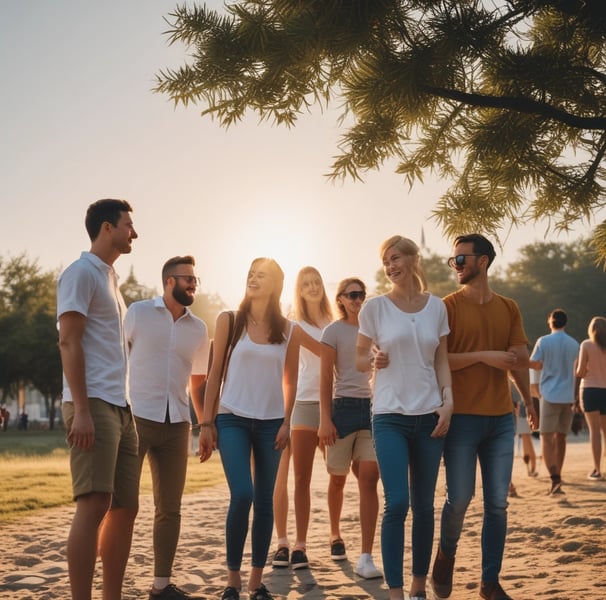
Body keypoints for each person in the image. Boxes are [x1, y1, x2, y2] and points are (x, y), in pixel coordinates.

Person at [430, 233, 538, 600]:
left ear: (483, 262)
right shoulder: (447, 307)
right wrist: (486, 356)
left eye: (462, 259)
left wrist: (528, 400)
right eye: (454, 260)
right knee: (459, 499)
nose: (456, 266)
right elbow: (438, 360)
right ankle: (445, 554)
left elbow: (519, 359)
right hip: (461, 419)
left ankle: (489, 582)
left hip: (500, 419)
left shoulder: (508, 307)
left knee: (497, 503)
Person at [198, 257, 303, 600]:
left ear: (275, 284)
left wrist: (288, 421)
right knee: (242, 494)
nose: (254, 279)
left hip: (273, 423)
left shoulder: (290, 329)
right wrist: (206, 422)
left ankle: (256, 583)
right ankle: (232, 582)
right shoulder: (229, 319)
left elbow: (291, 379)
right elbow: (214, 375)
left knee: (265, 501)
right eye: (251, 274)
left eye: (262, 275)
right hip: (232, 417)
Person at [356, 236, 453, 600]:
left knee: (424, 506)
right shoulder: (374, 308)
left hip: (430, 416)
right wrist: (373, 362)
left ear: (414, 259)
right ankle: (395, 592)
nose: (390, 266)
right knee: (397, 502)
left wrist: (448, 401)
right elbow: (359, 359)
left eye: (395, 258)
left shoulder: (437, 307)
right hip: (389, 415)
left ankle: (417, 589)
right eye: (385, 261)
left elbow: (441, 360)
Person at [57, 198, 139, 600]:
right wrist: (82, 411)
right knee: (93, 505)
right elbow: (68, 341)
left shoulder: (111, 280)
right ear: (107, 228)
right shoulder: (80, 273)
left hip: (121, 407)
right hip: (92, 402)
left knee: (125, 507)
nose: (133, 233)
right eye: (128, 225)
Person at [125, 255, 210, 600]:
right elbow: (119, 356)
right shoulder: (138, 313)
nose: (193, 284)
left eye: (195, 279)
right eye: (188, 278)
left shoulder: (199, 329)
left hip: (178, 425)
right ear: (169, 281)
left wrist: (205, 424)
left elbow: (198, 382)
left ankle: (160, 586)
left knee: (170, 509)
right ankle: (109, 580)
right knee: (121, 505)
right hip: (136, 419)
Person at [318, 277, 382, 580]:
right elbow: (325, 380)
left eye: (362, 295)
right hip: (341, 409)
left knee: (369, 478)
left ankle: (367, 555)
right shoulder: (333, 331)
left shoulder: (376, 329)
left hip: (372, 409)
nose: (358, 300)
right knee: (338, 478)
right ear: (340, 299)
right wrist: (324, 419)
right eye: (353, 295)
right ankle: (335, 533)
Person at [271, 267, 332, 570]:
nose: (312, 287)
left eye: (316, 282)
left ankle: (319, 539)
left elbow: (337, 357)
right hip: (297, 403)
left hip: (330, 404)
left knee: (335, 473)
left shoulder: (334, 324)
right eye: (306, 283)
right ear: (299, 289)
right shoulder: (292, 326)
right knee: (287, 475)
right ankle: (285, 543)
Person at [529, 309, 579, 495]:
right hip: (568, 395)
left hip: (549, 394)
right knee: (561, 437)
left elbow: (535, 364)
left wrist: (521, 361)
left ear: (550, 321)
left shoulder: (544, 341)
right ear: (565, 323)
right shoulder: (574, 344)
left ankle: (554, 479)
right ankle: (559, 473)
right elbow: (578, 370)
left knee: (546, 437)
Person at [575, 316, 606, 480]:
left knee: (594, 432)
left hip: (590, 390)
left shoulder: (586, 344)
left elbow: (580, 372)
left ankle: (597, 469)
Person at [511, 375, 538, 478]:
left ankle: (532, 467)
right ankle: (530, 468)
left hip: (523, 407)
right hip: (521, 407)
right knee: (526, 439)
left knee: (526, 439)